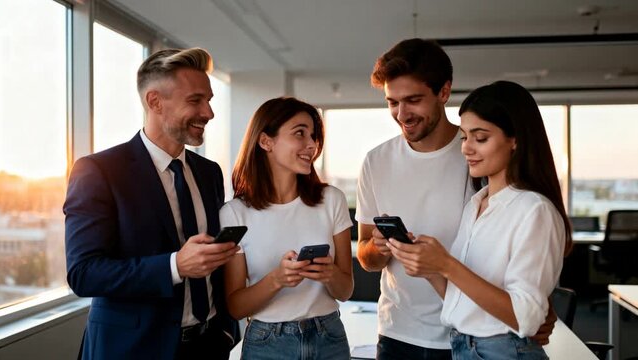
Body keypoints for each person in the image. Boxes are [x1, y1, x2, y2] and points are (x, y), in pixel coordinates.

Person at [355, 39, 556, 360]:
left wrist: (535, 306)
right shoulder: (376, 161)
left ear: (444, 92)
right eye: (392, 102)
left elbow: (526, 242)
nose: (401, 114)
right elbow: (365, 256)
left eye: (413, 100)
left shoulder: (482, 159)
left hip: (478, 335)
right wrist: (379, 249)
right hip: (400, 330)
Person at [64, 48, 240, 360]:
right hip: (133, 350)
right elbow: (84, 272)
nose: (209, 112)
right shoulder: (99, 171)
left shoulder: (208, 172)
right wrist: (175, 266)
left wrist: (226, 329)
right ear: (155, 101)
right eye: (195, 100)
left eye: (209, 100)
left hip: (209, 346)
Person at [387, 80, 573, 359]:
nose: (466, 148)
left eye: (481, 138)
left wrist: (447, 264)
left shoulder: (535, 211)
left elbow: (528, 317)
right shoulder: (477, 204)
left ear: (515, 140)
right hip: (465, 347)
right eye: (464, 137)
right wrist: (430, 269)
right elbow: (463, 302)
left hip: (503, 351)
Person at [220, 97, 353, 360]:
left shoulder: (331, 200)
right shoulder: (235, 213)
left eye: (313, 136)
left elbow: (346, 290)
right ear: (266, 141)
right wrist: (277, 279)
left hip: (329, 336)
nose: (312, 145)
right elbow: (235, 307)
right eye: (300, 133)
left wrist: (329, 273)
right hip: (266, 343)